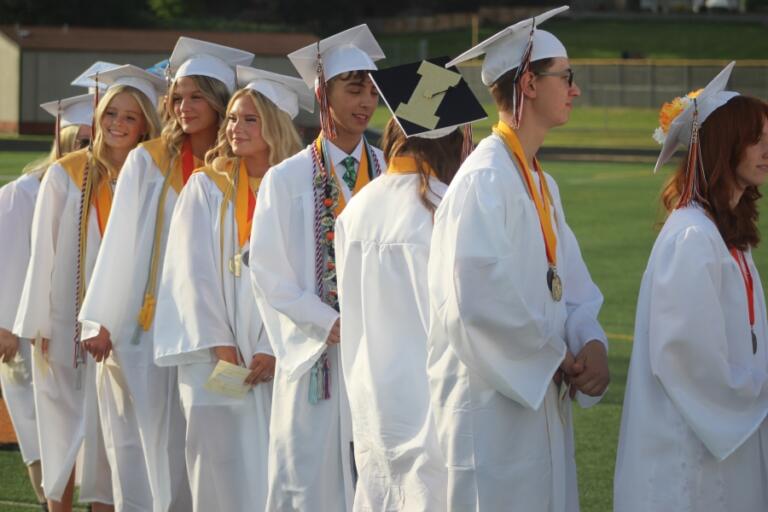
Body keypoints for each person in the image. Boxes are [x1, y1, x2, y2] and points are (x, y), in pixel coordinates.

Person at [428, 6, 610, 511]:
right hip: (493, 409)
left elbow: (568, 283)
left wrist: (589, 340)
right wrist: (552, 357)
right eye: (565, 77)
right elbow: (475, 301)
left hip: (540, 393)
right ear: (528, 83)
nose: (574, 89)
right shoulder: (485, 179)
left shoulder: (539, 183)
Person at [78, 38, 253, 512]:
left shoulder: (237, 166)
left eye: (197, 96)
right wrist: (100, 319)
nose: (184, 107)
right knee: (149, 444)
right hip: (148, 328)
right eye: (178, 97)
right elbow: (120, 246)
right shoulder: (148, 160)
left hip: (214, 331)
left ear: (219, 100)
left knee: (210, 445)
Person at [153, 65, 311, 512]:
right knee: (217, 464)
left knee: (275, 465)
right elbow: (190, 274)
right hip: (214, 359)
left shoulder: (301, 191)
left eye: (250, 119)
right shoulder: (206, 186)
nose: (235, 129)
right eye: (233, 118)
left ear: (275, 127)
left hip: (280, 356)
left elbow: (303, 277)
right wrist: (222, 345)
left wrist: (272, 346)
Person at [614, 62, 768, 512]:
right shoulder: (692, 237)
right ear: (724, 146)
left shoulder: (725, 235)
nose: (766, 149)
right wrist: (759, 387)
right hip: (691, 461)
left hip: (728, 442)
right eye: (755, 139)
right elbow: (687, 357)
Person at [335, 57, 486, 511]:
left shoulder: (357, 208)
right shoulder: (445, 211)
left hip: (372, 403)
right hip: (433, 410)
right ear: (454, 138)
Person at [13, 65, 163, 511]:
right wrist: (38, 322)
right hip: (65, 324)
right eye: (110, 113)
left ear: (145, 126)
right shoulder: (65, 174)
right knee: (62, 433)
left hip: (128, 330)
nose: (116, 123)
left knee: (116, 439)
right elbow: (44, 256)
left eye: (130, 116)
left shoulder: (154, 174)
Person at [248, 24, 385, 511]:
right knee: (311, 481)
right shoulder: (286, 179)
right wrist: (327, 322)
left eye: (372, 89)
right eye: (353, 88)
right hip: (318, 361)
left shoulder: (390, 171)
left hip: (379, 355)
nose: (366, 101)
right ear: (322, 94)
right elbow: (267, 272)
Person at [0, 93, 93, 512]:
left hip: (84, 337)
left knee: (89, 439)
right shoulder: (23, 193)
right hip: (27, 335)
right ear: (63, 138)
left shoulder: (105, 192)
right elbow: (8, 260)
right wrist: (4, 326)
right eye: (80, 140)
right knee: (40, 430)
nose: (87, 150)